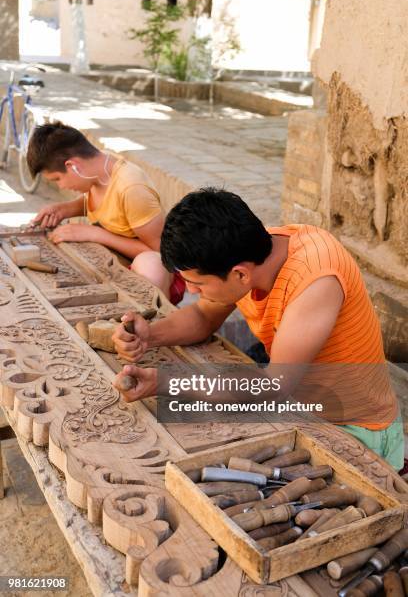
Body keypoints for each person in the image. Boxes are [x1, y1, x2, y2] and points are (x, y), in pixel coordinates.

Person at [112, 188, 403, 471]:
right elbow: (203, 317)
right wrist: (149, 335)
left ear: (240, 273)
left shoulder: (315, 280)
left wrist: (166, 383)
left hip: (353, 428)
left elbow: (272, 386)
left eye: (197, 284)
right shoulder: (247, 252)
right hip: (298, 401)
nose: (190, 291)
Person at [27, 122, 185, 304]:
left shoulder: (132, 188)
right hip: (115, 259)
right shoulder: (99, 172)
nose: (61, 186)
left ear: (73, 166)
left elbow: (163, 253)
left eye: (57, 179)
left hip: (154, 267)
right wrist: (64, 209)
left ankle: (156, 324)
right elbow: (108, 206)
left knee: (151, 265)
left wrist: (96, 234)